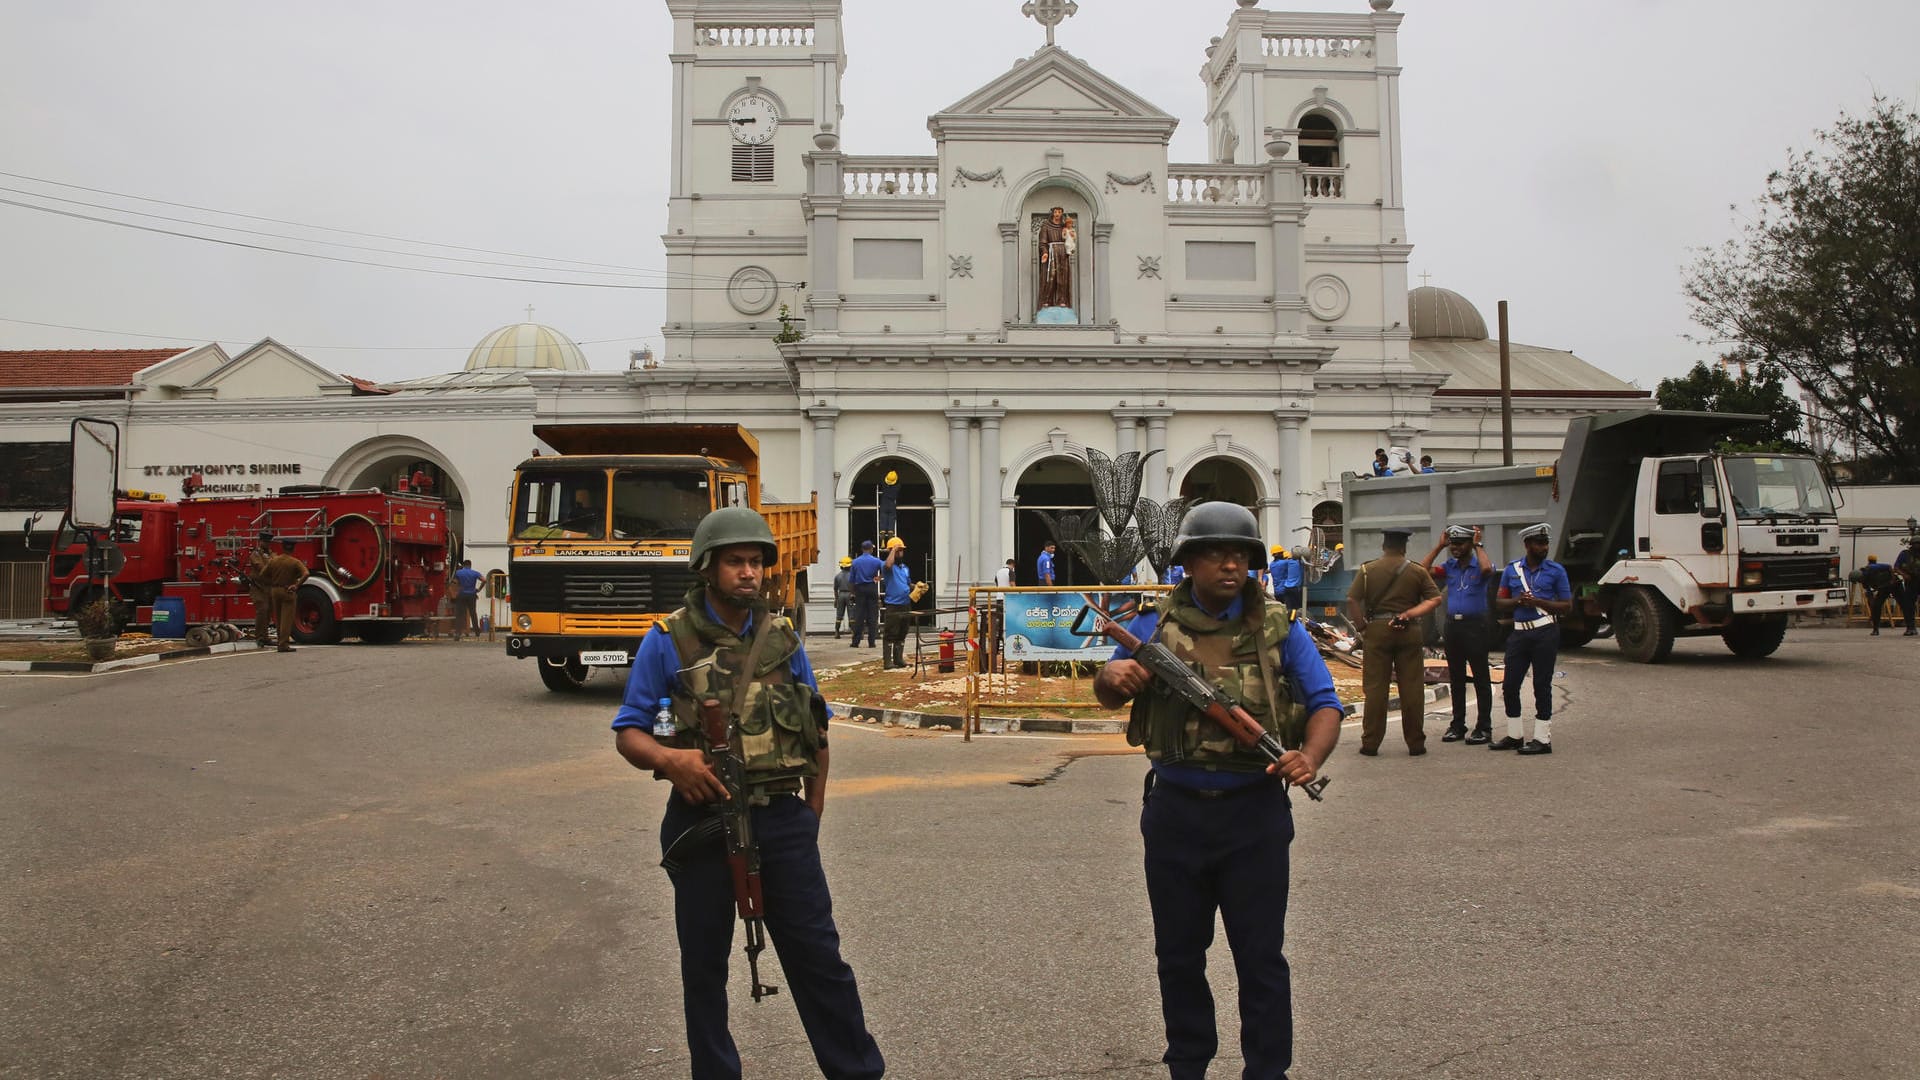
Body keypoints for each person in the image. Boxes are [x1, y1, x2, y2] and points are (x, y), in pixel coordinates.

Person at [610, 507, 885, 1080]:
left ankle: (857, 1071)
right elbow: (629, 731)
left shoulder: (782, 638)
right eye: (735, 561)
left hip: (782, 818)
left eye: (756, 562)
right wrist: (670, 759)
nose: (749, 573)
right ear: (708, 567)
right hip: (701, 818)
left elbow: (818, 726)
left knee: (819, 958)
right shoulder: (667, 640)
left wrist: (812, 809)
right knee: (704, 969)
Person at [1091, 501, 1343, 1080]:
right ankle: (1187, 1066)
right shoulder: (1152, 626)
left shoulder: (1280, 626)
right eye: (1215, 554)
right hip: (1176, 816)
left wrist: (1310, 756)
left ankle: (1267, 1071)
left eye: (1240, 555)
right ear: (1188, 563)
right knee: (1178, 957)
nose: (1230, 566)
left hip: (1253, 815)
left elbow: (1325, 703)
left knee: (1260, 960)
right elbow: (1110, 692)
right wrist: (1112, 676)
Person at [1346, 528, 1442, 756]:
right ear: (1404, 547)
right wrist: (1409, 614)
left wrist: (1362, 627)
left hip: (1377, 630)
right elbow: (1435, 599)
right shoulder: (1416, 571)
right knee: (1412, 688)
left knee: (1376, 688)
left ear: (1383, 546)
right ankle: (1415, 743)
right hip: (1409, 630)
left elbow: (1352, 599)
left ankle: (1370, 743)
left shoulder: (1367, 570)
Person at [1494, 522, 1574, 754]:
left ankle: (1542, 739)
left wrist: (1538, 602)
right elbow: (1500, 603)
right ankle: (1514, 734)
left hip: (1545, 632)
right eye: (1539, 544)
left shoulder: (1555, 571)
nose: (1544, 547)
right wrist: (1518, 601)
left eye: (1546, 543)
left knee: (1541, 684)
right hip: (1519, 632)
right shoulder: (1512, 570)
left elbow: (1566, 606)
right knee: (1510, 685)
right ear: (1527, 545)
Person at [1423, 525, 1494, 744]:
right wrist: (1439, 546)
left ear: (1470, 545)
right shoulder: (1450, 567)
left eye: (1460, 543)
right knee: (1456, 678)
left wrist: (1478, 544)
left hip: (1476, 626)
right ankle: (1457, 724)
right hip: (1453, 627)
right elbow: (1423, 570)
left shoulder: (1479, 564)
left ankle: (1484, 727)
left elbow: (1486, 570)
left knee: (1481, 678)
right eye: (1452, 544)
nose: (1455, 548)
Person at [257, 537, 310, 653]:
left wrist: (271, 583)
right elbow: (306, 573)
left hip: (275, 590)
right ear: (293, 548)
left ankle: (280, 641)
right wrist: (296, 585)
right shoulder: (294, 562)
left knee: (278, 617)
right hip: (288, 590)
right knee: (287, 619)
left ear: (283, 547)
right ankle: (283, 644)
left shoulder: (274, 560)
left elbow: (262, 574)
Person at [880, 537, 914, 670]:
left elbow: (907, 584)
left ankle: (898, 659)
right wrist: (893, 550)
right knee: (890, 633)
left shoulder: (905, 568)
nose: (901, 553)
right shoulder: (887, 566)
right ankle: (888, 662)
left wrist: (916, 587)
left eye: (901, 551)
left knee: (902, 632)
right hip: (893, 605)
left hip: (905, 603)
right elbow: (888, 564)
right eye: (898, 551)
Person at [1037, 206, 1074, 310]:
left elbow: (1070, 239)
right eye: (1055, 212)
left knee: (1063, 278)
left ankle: (1062, 300)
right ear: (1052, 213)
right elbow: (1043, 242)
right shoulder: (1046, 226)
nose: (1057, 214)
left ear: (1062, 213)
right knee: (1051, 277)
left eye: (1059, 212)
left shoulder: (1064, 227)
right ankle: (1047, 300)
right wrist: (1044, 252)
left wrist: (1070, 245)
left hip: (1063, 254)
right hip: (1051, 252)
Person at [848, 540, 883, 649]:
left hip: (860, 589)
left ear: (862, 549)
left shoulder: (855, 562)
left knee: (859, 616)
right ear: (871, 549)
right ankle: (871, 642)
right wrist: (879, 577)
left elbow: (851, 580)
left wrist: (852, 593)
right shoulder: (876, 561)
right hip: (871, 587)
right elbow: (886, 569)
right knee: (872, 616)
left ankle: (856, 642)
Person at [245, 530, 275, 648]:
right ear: (260, 541)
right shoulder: (256, 554)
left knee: (268, 613)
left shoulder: (271, 554)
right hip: (258, 587)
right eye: (265, 541)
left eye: (268, 542)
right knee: (262, 611)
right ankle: (260, 637)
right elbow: (260, 567)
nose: (267, 544)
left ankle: (265, 636)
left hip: (269, 586)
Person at [1891, 537, 1920, 636]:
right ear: (1912, 544)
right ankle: (1910, 627)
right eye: (1915, 544)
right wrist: (1904, 575)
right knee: (1909, 606)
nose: (1917, 546)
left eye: (1919, 543)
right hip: (1911, 582)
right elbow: (1896, 567)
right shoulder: (1905, 554)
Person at [450, 559, 484, 639]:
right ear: (470, 565)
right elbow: (484, 580)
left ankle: (458, 633)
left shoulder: (458, 572)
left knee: (460, 614)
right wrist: (479, 589)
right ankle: (477, 632)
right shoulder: (475, 573)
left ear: (463, 565)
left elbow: (454, 582)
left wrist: (457, 588)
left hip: (461, 594)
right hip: (472, 594)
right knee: (473, 613)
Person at [1269, 545, 1305, 611]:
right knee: (1291, 610)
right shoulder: (1284, 563)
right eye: (1281, 553)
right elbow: (1293, 561)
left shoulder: (1272, 564)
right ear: (1277, 554)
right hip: (1284, 591)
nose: (1283, 554)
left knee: (1282, 610)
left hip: (1277, 592)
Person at [832, 556, 854, 636]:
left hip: (841, 594)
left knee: (839, 614)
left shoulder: (837, 576)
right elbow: (854, 587)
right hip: (850, 594)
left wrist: (836, 599)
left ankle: (837, 632)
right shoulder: (852, 576)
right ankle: (853, 632)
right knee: (851, 614)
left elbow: (835, 589)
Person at [876, 470, 900, 538]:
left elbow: (882, 479)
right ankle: (890, 531)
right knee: (892, 518)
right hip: (892, 504)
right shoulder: (897, 487)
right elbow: (898, 482)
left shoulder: (884, 485)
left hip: (884, 503)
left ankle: (882, 531)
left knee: (883, 517)